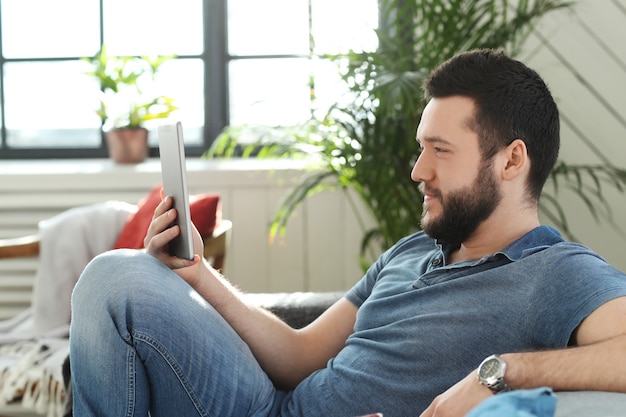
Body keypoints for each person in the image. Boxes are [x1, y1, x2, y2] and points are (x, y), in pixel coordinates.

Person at [69, 49, 626, 417]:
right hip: (271, 403)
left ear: (511, 162)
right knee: (116, 278)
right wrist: (197, 274)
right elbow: (298, 355)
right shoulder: (415, 250)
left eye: (440, 151)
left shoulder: (556, 272)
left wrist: (503, 373)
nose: (417, 171)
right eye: (419, 147)